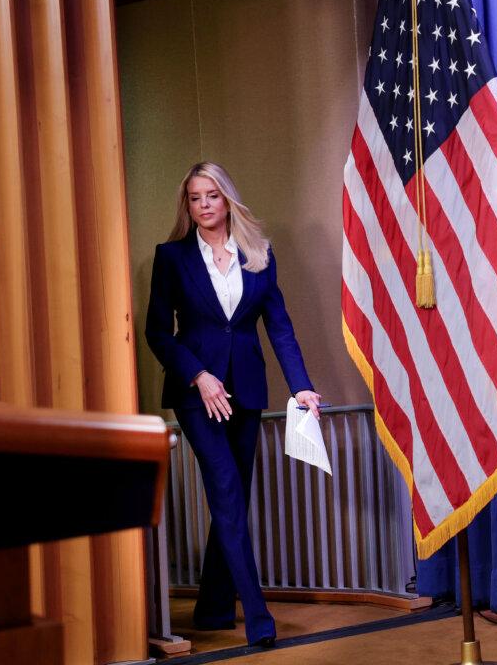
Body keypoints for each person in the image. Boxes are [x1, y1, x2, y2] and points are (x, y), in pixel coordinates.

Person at [145, 162, 321, 649]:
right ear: (189, 206)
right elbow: (157, 333)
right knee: (225, 491)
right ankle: (259, 617)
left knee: (233, 498)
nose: (203, 204)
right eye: (195, 198)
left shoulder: (258, 253)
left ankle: (214, 606)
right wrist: (198, 376)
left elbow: (278, 326)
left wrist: (301, 386)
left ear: (227, 201)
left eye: (212, 196)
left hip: (244, 391)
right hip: (197, 395)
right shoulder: (172, 257)